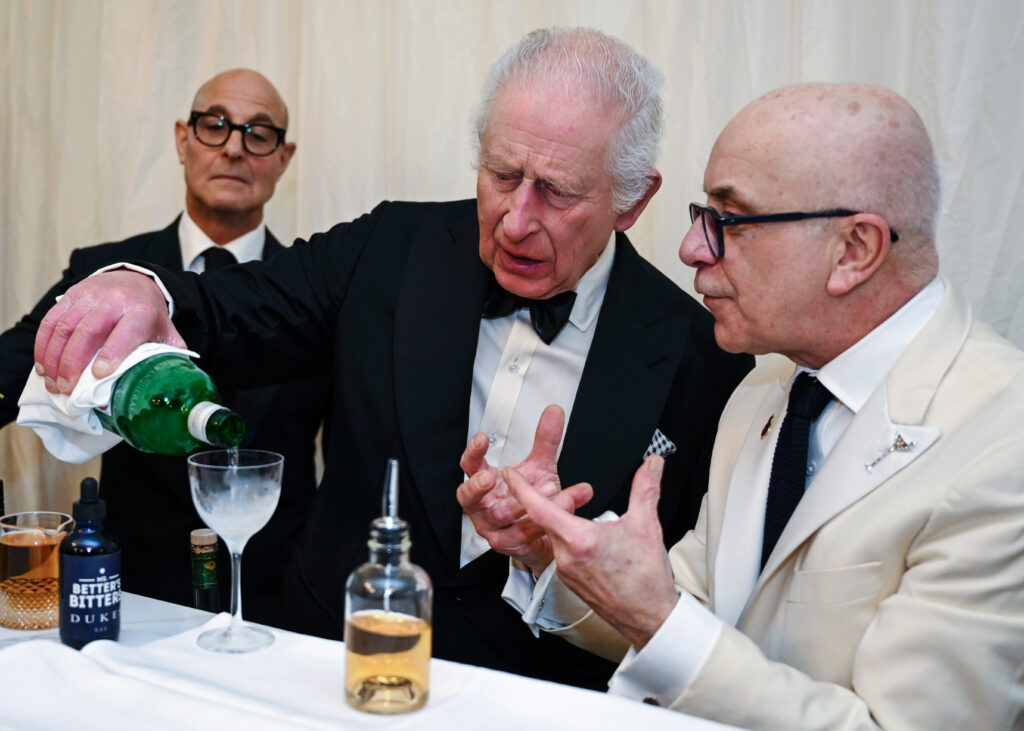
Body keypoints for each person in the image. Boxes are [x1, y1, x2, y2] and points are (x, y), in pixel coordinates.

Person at [28, 28, 751, 689]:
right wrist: (144, 287)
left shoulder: (700, 353)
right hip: (330, 663)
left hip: (540, 693)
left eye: (558, 192)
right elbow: (236, 307)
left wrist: (556, 555)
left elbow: (687, 599)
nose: (516, 219)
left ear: (631, 201)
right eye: (502, 173)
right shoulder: (391, 248)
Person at [469, 82, 1024, 727]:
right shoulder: (762, 393)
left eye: (729, 221)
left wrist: (658, 617)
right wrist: (553, 551)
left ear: (854, 251)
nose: (692, 249)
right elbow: (690, 618)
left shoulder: (1003, 444)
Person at [0, 69, 329, 628]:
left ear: (284, 157)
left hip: (276, 603)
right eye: (215, 125)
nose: (233, 147)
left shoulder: (318, 293)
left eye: (258, 133)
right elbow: (18, 360)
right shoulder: (104, 272)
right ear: (183, 139)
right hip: (134, 595)